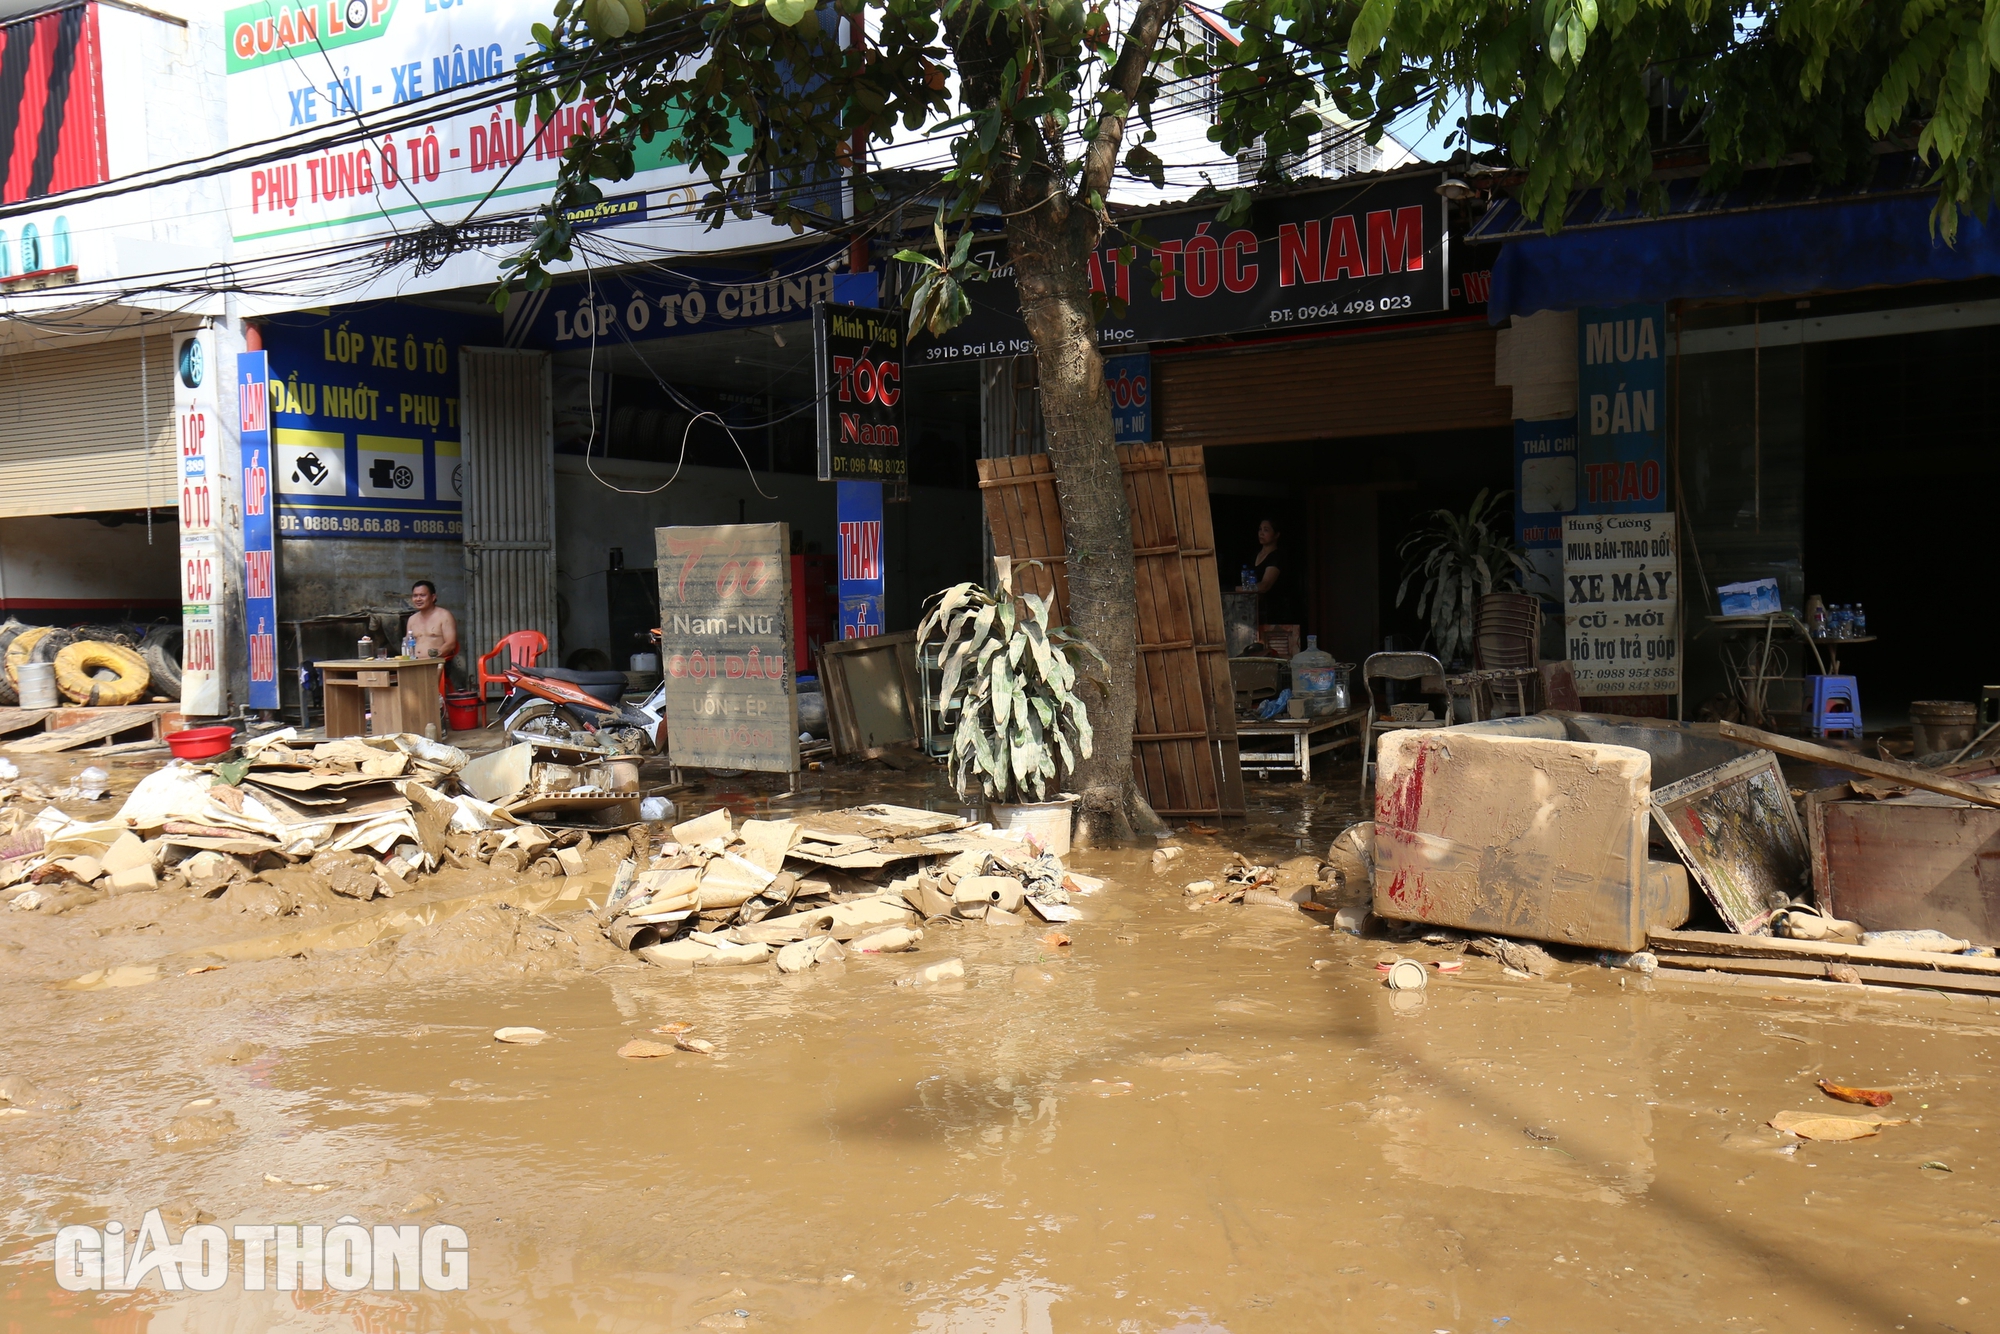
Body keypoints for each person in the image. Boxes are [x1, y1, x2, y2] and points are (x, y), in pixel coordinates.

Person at [405, 581, 462, 683]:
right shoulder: (412, 619)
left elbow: (451, 644)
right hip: (414, 663)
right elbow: (407, 644)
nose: (418, 599)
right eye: (415, 596)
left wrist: (432, 657)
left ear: (433, 597)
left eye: (422, 595)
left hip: (436, 663)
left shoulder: (444, 616)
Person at [1248, 518, 1301, 627]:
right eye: (1260, 529)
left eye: (1266, 530)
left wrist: (1240, 589)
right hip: (1257, 611)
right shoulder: (1255, 555)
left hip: (1276, 611)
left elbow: (1265, 586)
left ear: (1276, 535)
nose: (1261, 533)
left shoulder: (1278, 556)